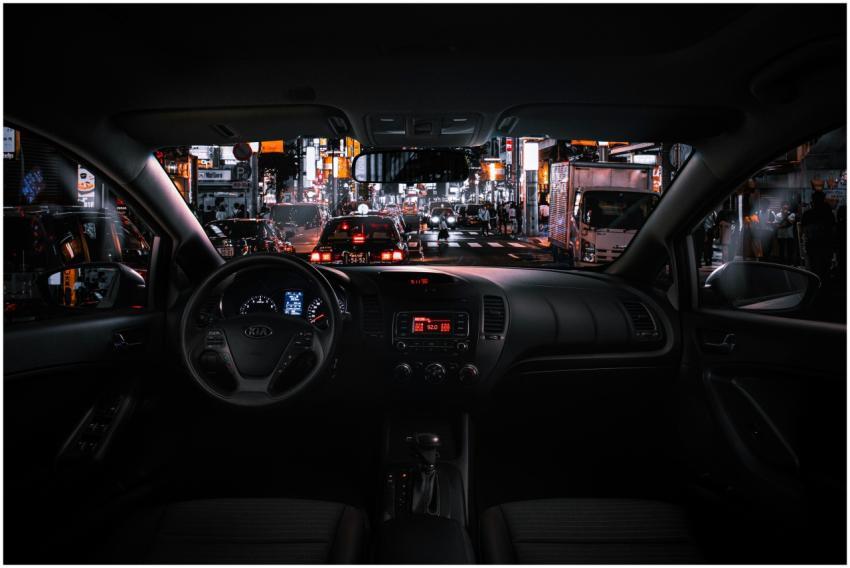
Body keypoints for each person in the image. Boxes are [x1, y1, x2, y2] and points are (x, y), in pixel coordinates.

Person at [802, 190, 835, 282]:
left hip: (813, 244)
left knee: (814, 267)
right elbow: (832, 230)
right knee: (825, 268)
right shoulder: (828, 213)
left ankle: (815, 285)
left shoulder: (808, 214)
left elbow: (805, 231)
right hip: (825, 244)